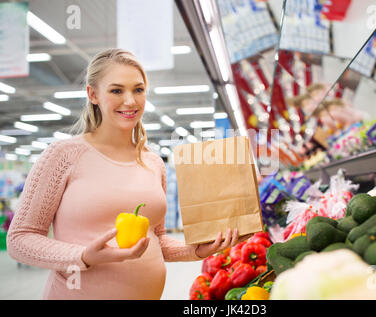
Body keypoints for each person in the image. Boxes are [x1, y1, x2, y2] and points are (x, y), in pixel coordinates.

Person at [6, 49, 247, 300]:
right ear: (93, 94)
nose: (130, 101)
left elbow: (157, 239)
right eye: (117, 90)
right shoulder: (63, 155)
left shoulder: (153, 162)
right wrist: (83, 256)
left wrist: (195, 250)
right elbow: (20, 239)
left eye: (138, 90)